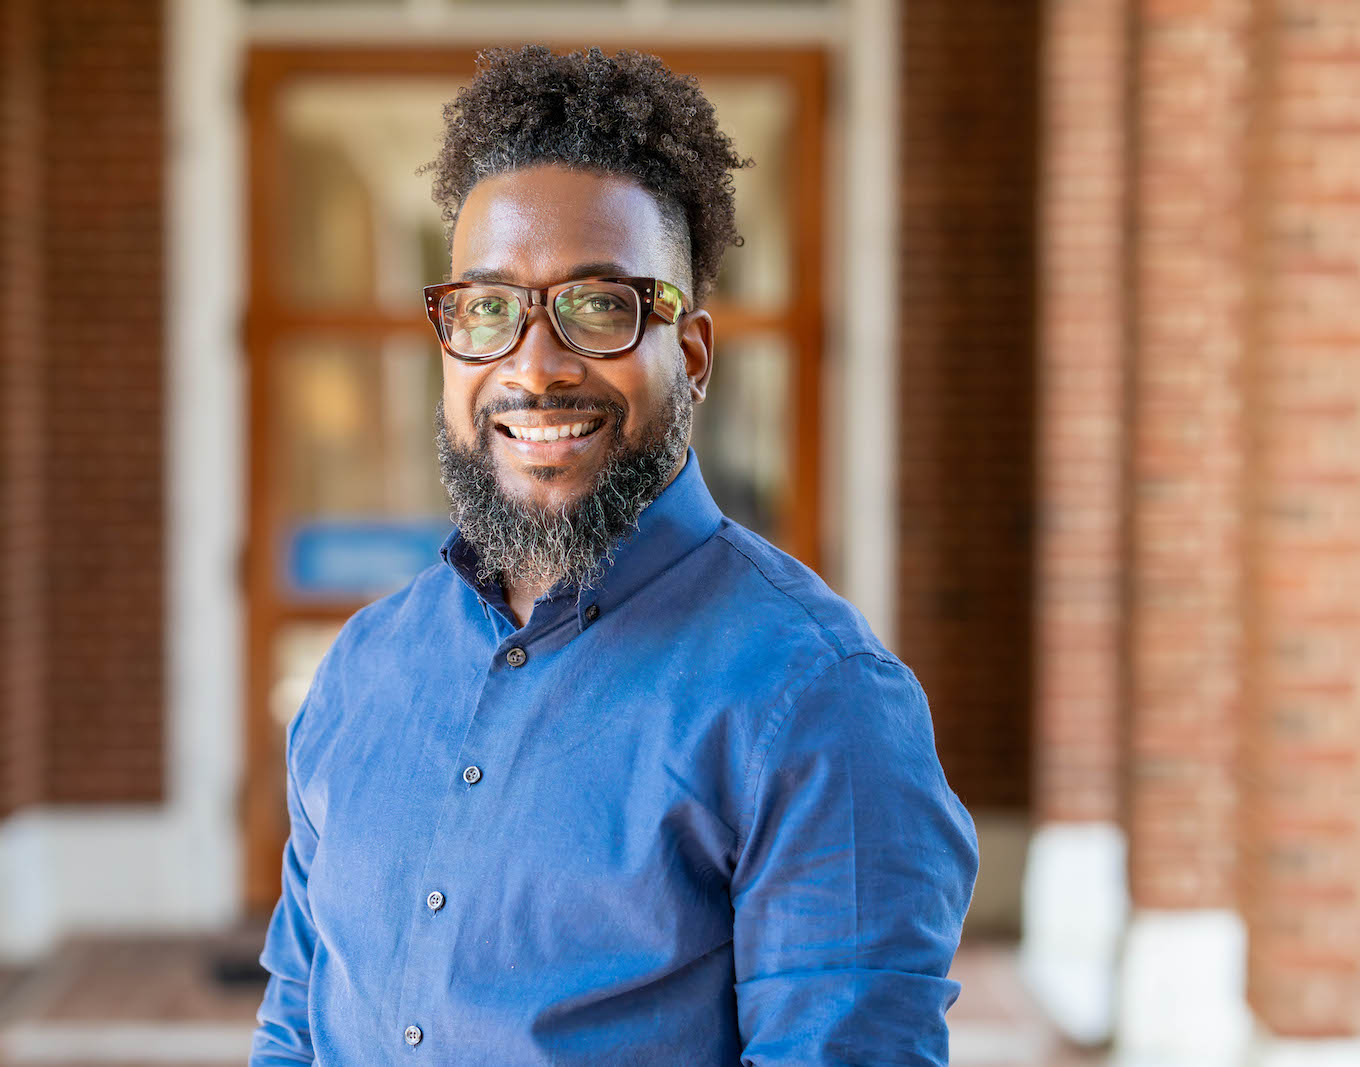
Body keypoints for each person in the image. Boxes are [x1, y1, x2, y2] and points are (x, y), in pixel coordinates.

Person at [251, 44, 978, 1066]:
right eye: (488, 308)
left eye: (599, 305)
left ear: (687, 354)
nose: (533, 366)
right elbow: (297, 1018)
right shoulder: (365, 665)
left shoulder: (817, 699)